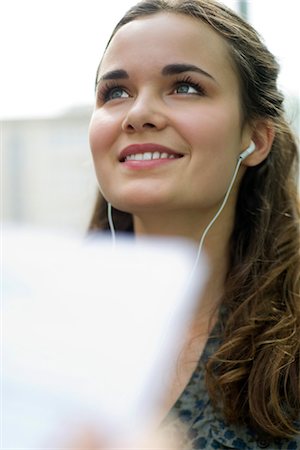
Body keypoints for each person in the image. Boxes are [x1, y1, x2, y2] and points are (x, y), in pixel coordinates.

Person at [88, 0, 300, 448]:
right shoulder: (34, 329)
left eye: (185, 87)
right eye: (116, 92)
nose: (137, 113)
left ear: (256, 138)